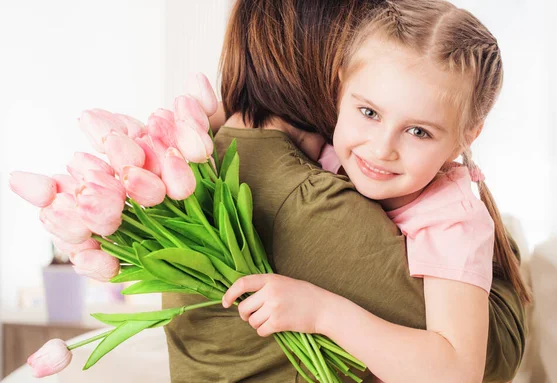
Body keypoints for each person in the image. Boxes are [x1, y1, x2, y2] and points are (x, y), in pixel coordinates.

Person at [162, 1, 527, 382]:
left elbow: (458, 372)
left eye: (419, 131)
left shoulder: (451, 222)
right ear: (340, 84)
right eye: (369, 112)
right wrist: (193, 123)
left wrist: (323, 312)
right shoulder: (339, 149)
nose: (382, 148)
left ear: (465, 138)